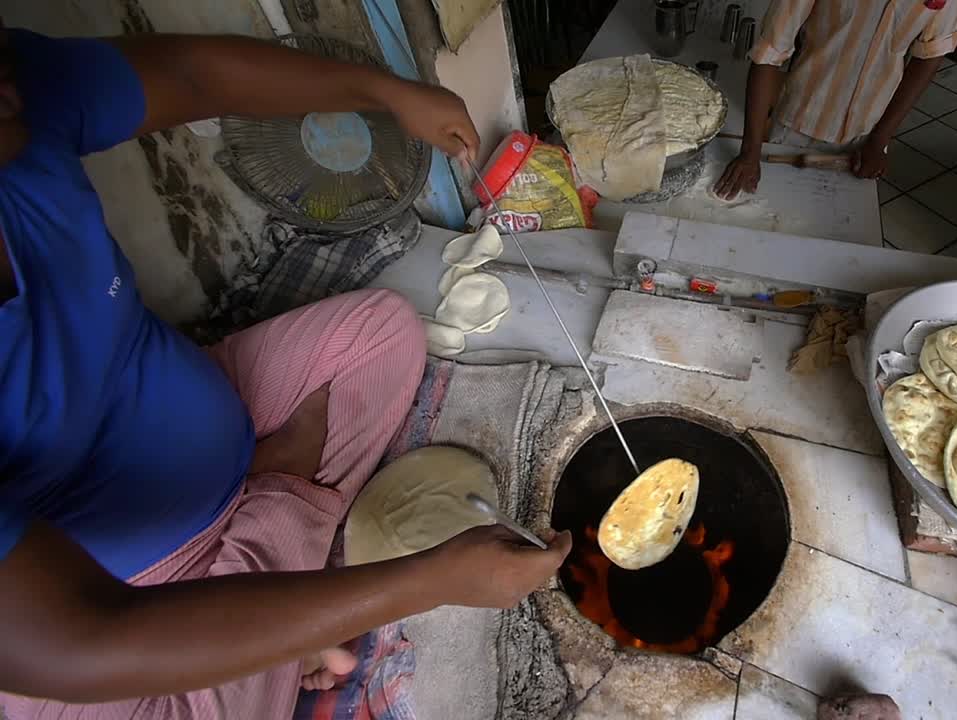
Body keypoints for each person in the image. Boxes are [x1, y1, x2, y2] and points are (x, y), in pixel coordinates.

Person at [0, 28, 571, 719]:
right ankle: (276, 570)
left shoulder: (16, 99)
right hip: (116, 590)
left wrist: (385, 93)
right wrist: (428, 581)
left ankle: (270, 592)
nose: (9, 92)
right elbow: (78, 640)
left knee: (381, 333)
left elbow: (189, 73)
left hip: (202, 414)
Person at [715, 0, 957, 199]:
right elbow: (769, 53)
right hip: (798, 125)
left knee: (839, 227)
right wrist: (750, 152)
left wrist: (880, 138)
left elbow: (931, 54)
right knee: (775, 212)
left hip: (870, 134)